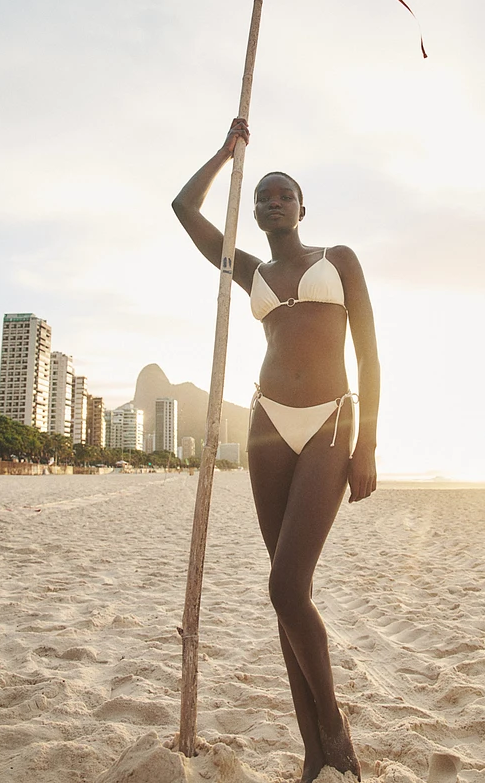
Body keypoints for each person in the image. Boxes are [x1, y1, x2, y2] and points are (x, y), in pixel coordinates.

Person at [172, 117, 380, 783]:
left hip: (329, 422)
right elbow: (183, 208)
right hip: (265, 427)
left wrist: (367, 441)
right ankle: (315, 755)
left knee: (286, 585)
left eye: (280, 194)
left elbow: (369, 353)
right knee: (288, 597)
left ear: (300, 207)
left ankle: (335, 736)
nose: (268, 201)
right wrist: (225, 152)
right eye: (260, 195)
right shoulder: (250, 270)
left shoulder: (337, 259)